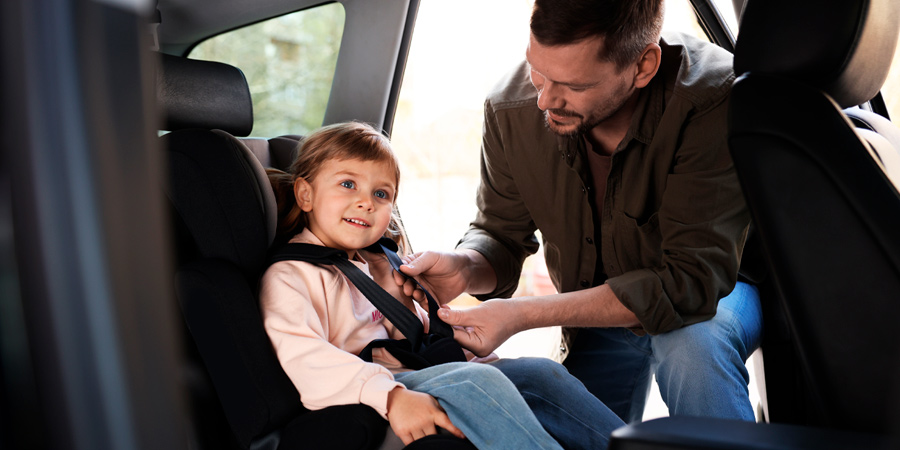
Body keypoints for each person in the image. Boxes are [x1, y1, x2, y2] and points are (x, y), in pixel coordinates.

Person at [394, 0, 763, 424]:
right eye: (537, 70)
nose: (544, 99)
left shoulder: (710, 98)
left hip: (717, 293)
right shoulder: (510, 106)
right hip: (599, 311)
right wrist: (465, 266)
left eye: (574, 85)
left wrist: (522, 315)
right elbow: (500, 233)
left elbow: (690, 282)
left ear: (643, 67)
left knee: (692, 346)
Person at [260, 121, 624, 449]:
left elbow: (420, 337)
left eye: (381, 194)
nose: (365, 202)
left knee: (538, 373)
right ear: (306, 195)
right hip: (372, 386)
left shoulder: (380, 263)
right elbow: (304, 357)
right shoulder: (292, 275)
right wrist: (390, 397)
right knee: (479, 383)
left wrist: (474, 356)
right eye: (347, 184)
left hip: (421, 372)